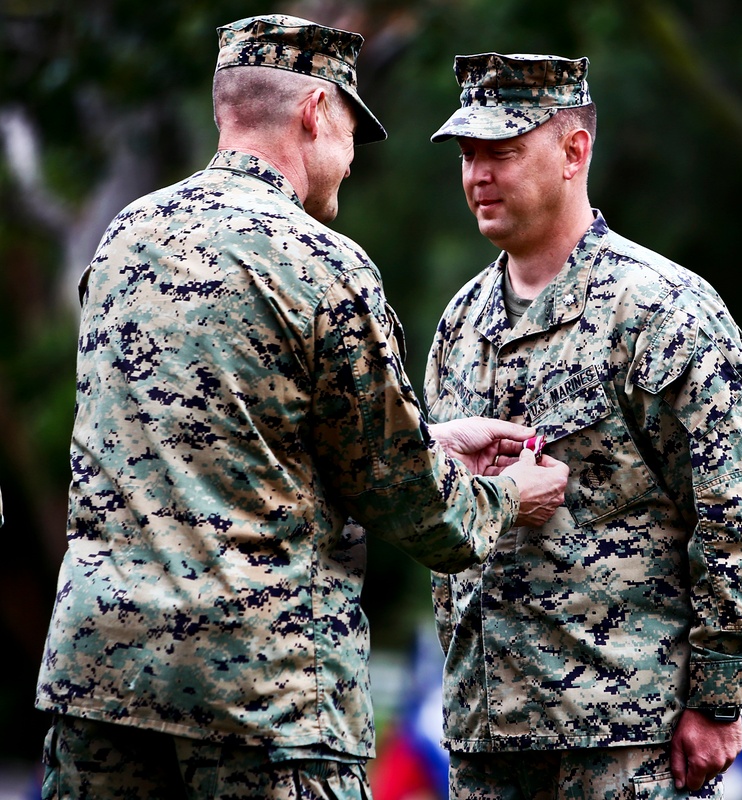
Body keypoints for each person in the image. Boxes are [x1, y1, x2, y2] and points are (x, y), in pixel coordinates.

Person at [34, 19, 567, 799]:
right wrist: (507, 496)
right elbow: (417, 507)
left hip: (101, 684)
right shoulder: (322, 264)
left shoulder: (123, 240)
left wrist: (433, 439)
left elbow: (218, 440)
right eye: (352, 130)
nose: (350, 158)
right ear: (316, 112)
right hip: (262, 701)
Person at [424, 52, 742, 799]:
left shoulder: (660, 309)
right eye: (468, 155)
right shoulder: (460, 324)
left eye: (501, 151)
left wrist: (720, 699)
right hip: (488, 738)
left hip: (626, 738)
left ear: (574, 150)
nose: (478, 175)